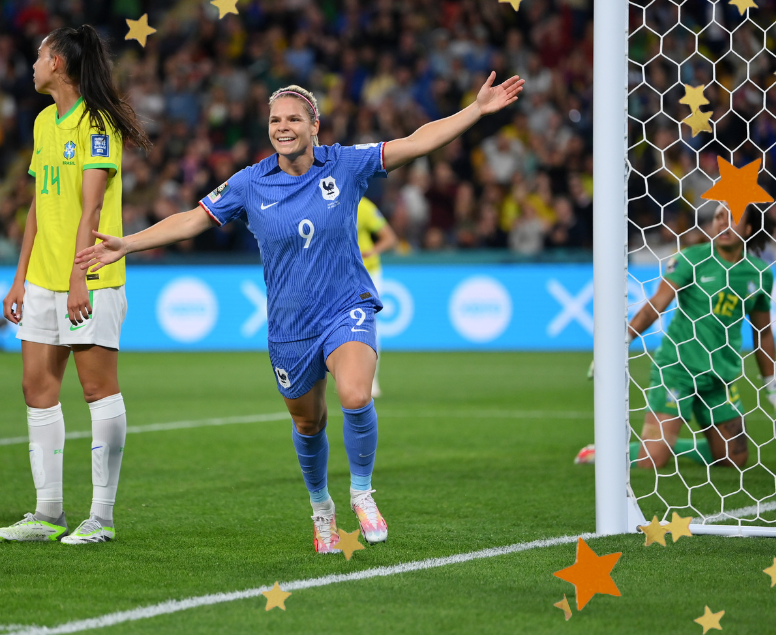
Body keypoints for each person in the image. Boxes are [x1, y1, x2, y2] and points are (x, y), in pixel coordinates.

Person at [77, 74, 524, 552]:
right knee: (309, 424)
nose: (283, 127)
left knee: (355, 395)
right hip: (290, 328)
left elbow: (416, 142)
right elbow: (192, 219)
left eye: (293, 118)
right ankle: (321, 510)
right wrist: (129, 244)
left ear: (315, 125)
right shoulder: (250, 182)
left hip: (345, 306)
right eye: (275, 120)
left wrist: (475, 110)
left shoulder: (346, 164)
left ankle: (362, 493)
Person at [0, 25, 151, 544]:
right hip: (41, 277)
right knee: (36, 388)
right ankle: (48, 513)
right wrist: (19, 278)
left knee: (95, 388)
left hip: (91, 276)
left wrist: (79, 274)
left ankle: (100, 517)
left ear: (57, 62)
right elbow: (40, 202)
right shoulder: (43, 122)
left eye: (38, 55)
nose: (32, 64)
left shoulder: (98, 123)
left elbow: (93, 205)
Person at [576, 203, 774, 469]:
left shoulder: (759, 274)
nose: (723, 223)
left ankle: (677, 447)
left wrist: (771, 382)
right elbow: (656, 304)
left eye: (733, 217)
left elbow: (762, 333)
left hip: (719, 377)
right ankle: (607, 452)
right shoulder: (691, 258)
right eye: (718, 217)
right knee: (652, 461)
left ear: (749, 228)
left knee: (734, 459)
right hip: (678, 370)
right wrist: (620, 344)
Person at [357, 196, 398, 398]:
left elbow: (389, 238)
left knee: (369, 326)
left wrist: (371, 251)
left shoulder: (363, 207)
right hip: (339, 275)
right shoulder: (326, 201)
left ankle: (372, 380)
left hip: (368, 274)